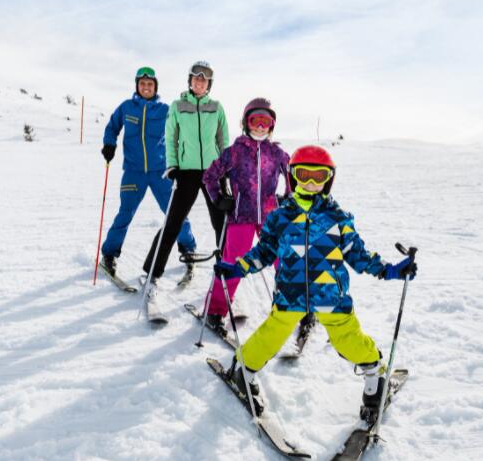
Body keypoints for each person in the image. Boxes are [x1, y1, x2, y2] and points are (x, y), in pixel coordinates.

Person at [213, 145, 418, 420]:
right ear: (294, 177)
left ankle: (375, 378)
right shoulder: (279, 217)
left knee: (350, 341)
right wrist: (237, 268)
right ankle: (243, 371)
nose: (310, 182)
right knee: (270, 337)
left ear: (328, 180)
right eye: (304, 175)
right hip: (290, 294)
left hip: (331, 297)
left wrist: (391, 270)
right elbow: (263, 253)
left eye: (318, 176)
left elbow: (359, 256)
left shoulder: (339, 219)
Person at [141, 61, 229, 296]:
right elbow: (170, 138)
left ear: (209, 83)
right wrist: (173, 166)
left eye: (204, 79)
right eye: (196, 78)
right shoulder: (178, 106)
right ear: (190, 81)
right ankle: (152, 273)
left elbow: (223, 140)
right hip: (187, 172)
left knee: (223, 225)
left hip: (213, 173)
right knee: (173, 223)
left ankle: (227, 278)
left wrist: (226, 168)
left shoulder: (217, 108)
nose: (200, 82)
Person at [201, 98, 289, 330]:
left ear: (272, 126)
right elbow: (209, 175)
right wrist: (219, 198)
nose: (260, 126)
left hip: (270, 217)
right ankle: (216, 309)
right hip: (241, 216)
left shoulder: (277, 153)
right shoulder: (235, 152)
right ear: (245, 122)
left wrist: (288, 197)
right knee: (233, 261)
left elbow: (294, 176)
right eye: (255, 120)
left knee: (284, 258)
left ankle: (291, 303)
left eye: (266, 121)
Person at [99, 66, 196, 277]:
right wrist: (109, 144)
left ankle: (188, 248)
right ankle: (109, 254)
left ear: (155, 87)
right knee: (125, 213)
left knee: (175, 212)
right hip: (133, 171)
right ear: (137, 86)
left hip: (161, 172)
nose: (146, 87)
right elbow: (112, 127)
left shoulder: (165, 110)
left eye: (149, 84)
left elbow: (181, 133)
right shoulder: (126, 107)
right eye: (142, 84)